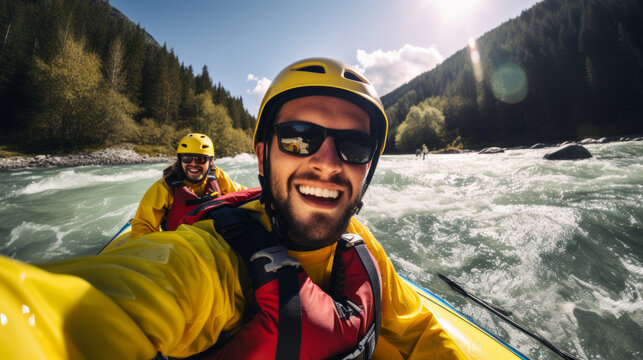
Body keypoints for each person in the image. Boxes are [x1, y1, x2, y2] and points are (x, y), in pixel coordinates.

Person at [0, 58, 466, 359]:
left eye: (355, 147)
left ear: (369, 169)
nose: (326, 163)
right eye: (299, 138)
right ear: (263, 155)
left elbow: (421, 331)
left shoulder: (362, 247)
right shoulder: (207, 256)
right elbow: (83, 310)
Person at [130, 133, 246, 240]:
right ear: (180, 160)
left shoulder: (217, 176)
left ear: (211, 161)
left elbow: (242, 194)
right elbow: (143, 226)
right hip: (179, 245)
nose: (193, 164)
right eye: (187, 158)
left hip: (214, 239)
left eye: (200, 159)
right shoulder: (164, 188)